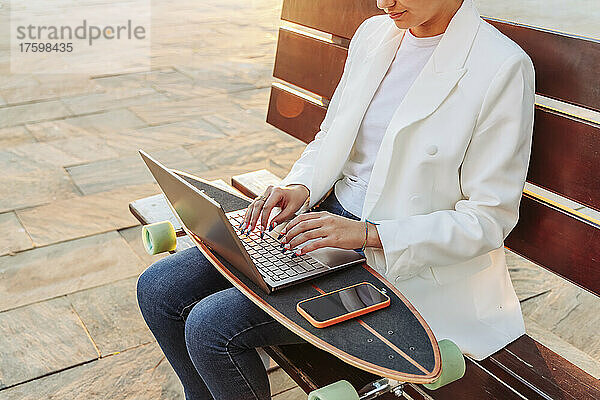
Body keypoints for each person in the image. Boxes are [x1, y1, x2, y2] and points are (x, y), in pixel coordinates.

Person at [136, 0, 535, 399]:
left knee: (212, 328)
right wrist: (300, 188)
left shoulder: (500, 67)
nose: (384, 3)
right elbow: (332, 136)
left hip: (396, 260)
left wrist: (366, 233)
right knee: (159, 288)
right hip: (324, 225)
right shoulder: (375, 35)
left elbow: (488, 219)